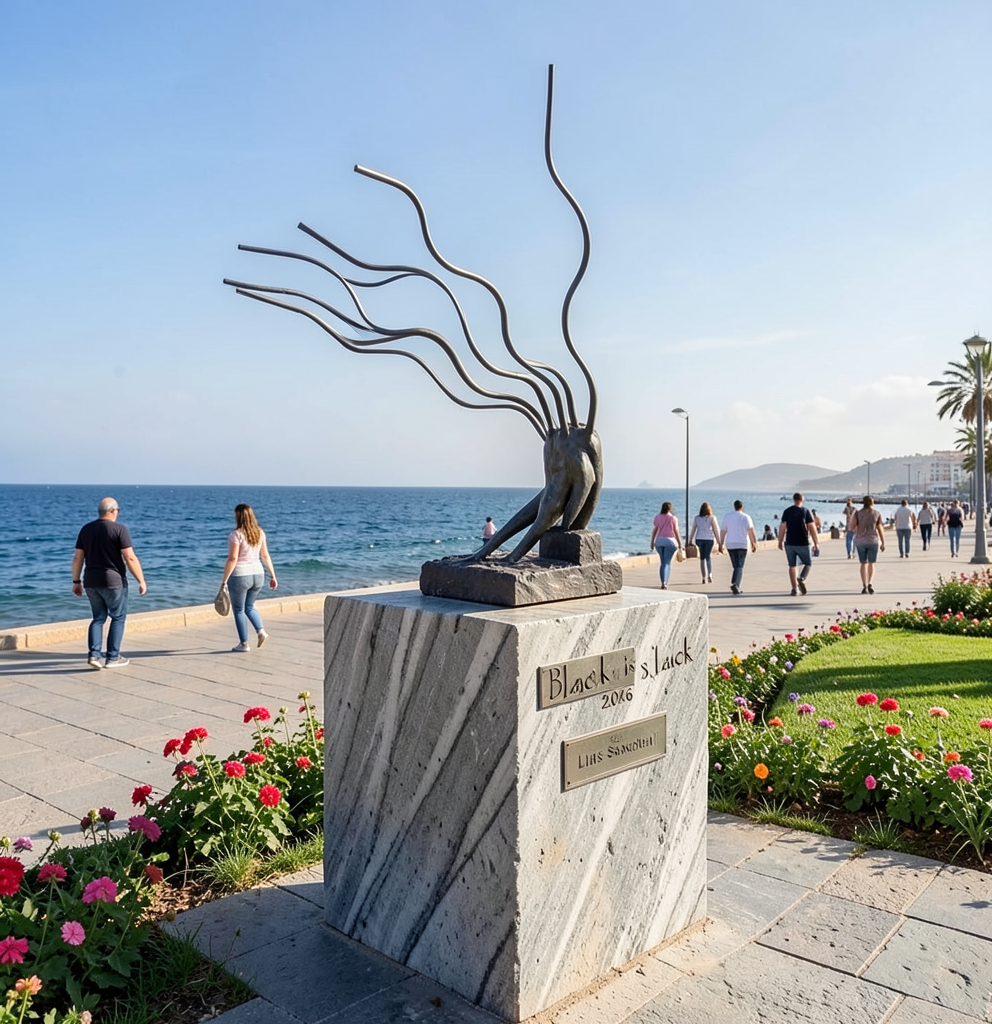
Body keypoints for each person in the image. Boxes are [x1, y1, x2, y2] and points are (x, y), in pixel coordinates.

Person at [72, 497, 147, 669]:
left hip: (91, 581)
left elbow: (77, 558)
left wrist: (76, 581)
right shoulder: (119, 530)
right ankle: (113, 657)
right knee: (118, 617)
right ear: (113, 511)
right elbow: (130, 558)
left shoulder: (86, 529)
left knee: (98, 618)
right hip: (114, 581)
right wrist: (141, 580)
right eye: (118, 510)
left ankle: (94, 654)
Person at [220, 504, 278, 652]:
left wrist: (224, 580)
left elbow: (233, 559)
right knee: (250, 607)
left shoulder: (236, 535)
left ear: (238, 516)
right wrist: (273, 575)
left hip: (240, 575)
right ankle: (261, 630)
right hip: (258, 575)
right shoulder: (260, 533)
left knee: (238, 609)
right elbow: (265, 555)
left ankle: (244, 644)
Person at [778, 492, 819, 596]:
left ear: (794, 499)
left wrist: (780, 541)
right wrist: (816, 543)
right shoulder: (806, 511)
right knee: (808, 563)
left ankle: (794, 589)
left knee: (792, 565)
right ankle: (801, 578)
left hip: (790, 543)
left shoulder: (787, 511)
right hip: (803, 543)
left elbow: (782, 526)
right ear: (802, 500)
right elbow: (812, 528)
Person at [719, 499, 757, 595]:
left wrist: (721, 543)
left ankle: (735, 584)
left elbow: (723, 531)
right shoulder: (746, 517)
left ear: (734, 507)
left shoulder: (727, 517)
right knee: (739, 566)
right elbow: (751, 530)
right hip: (742, 544)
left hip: (730, 544)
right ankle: (735, 585)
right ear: (742, 507)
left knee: (736, 566)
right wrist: (754, 542)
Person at [851, 495, 885, 594]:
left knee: (863, 563)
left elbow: (852, 527)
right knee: (871, 563)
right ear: (872, 503)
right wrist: (883, 542)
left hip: (861, 541)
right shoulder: (877, 514)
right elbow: (880, 529)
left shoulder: (858, 513)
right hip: (873, 541)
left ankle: (864, 585)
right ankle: (870, 582)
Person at [649, 501, 682, 590]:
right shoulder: (673, 518)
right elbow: (676, 531)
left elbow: (655, 530)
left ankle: (662, 581)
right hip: (670, 542)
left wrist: (652, 542)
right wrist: (680, 543)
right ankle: (665, 582)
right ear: (670, 509)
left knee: (662, 562)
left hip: (659, 541)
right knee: (667, 563)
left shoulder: (657, 517)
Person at [688, 502, 720, 584]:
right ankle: (710, 574)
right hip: (709, 539)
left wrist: (690, 540)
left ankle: (703, 577)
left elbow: (693, 529)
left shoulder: (697, 518)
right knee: (708, 557)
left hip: (699, 539)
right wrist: (719, 541)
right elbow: (716, 530)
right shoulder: (712, 518)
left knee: (702, 557)